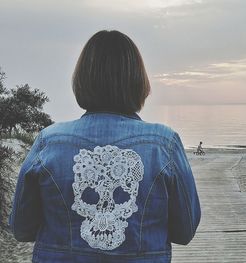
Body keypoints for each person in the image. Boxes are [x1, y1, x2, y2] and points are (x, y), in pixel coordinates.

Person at [9, 30, 201, 263]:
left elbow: (21, 228)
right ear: (139, 81)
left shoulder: (49, 141)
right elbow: (185, 231)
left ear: (81, 79)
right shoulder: (164, 144)